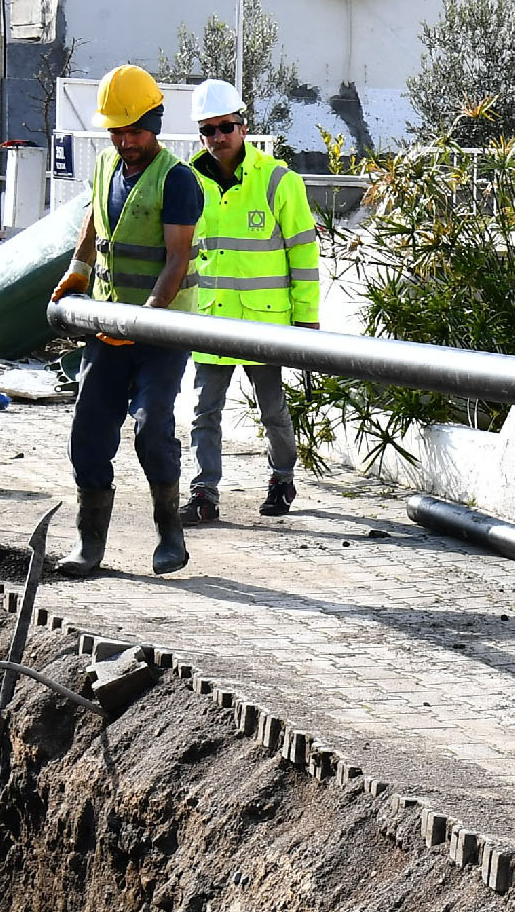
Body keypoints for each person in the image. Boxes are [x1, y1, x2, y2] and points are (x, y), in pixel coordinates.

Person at [47, 64, 204, 578]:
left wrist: (147, 320)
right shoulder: (105, 166)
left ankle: (169, 534)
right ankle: (90, 544)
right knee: (88, 431)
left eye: (133, 130)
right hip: (110, 324)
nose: (124, 140)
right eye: (116, 130)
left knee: (151, 427)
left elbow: (176, 260)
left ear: (154, 125)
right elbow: (94, 222)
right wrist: (78, 271)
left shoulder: (177, 180)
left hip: (162, 330)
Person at [181, 78, 319, 523]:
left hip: (265, 323)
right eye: (209, 130)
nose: (218, 137)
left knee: (272, 408)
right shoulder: (187, 181)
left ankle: (282, 480)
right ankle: (204, 493)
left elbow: (303, 252)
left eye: (226, 127)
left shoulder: (279, 181)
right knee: (205, 411)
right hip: (212, 319)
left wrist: (307, 320)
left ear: (243, 126)